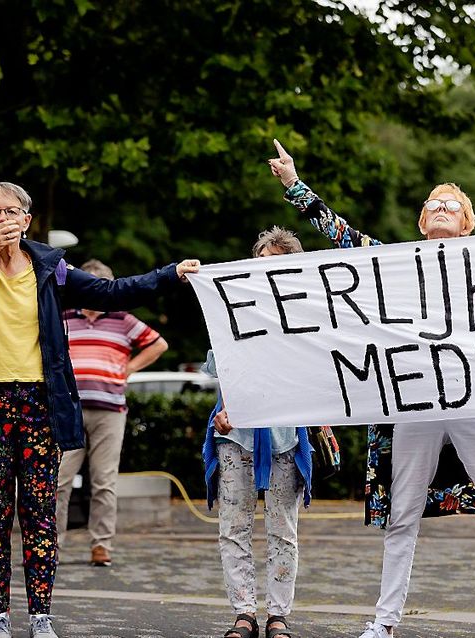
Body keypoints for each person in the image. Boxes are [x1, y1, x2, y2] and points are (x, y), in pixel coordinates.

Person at [266, 114, 475, 638]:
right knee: (402, 514)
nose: (440, 210)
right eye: (433, 205)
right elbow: (336, 231)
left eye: (452, 207)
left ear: (467, 224)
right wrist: (292, 182)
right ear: (422, 221)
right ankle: (384, 621)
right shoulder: (391, 263)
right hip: (416, 399)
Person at [0, 182, 199, 638]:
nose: (1, 219)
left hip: (40, 405)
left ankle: (40, 614)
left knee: (39, 512)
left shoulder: (50, 269)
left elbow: (111, 292)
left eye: (10, 211)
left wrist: (169, 274)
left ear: (27, 220)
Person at [202, 227, 314, 638]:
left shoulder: (309, 318)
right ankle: (244, 611)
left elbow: (315, 375)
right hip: (237, 435)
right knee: (234, 526)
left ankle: (279, 613)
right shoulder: (235, 308)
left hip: (286, 437)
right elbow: (223, 368)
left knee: (283, 528)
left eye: (279, 264)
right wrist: (225, 410)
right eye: (263, 262)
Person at [55, 259, 170, 567]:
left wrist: (129, 367)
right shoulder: (65, 316)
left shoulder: (122, 319)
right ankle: (50, 546)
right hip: (70, 410)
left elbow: (159, 344)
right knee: (58, 480)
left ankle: (101, 545)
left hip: (110, 409)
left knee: (104, 481)